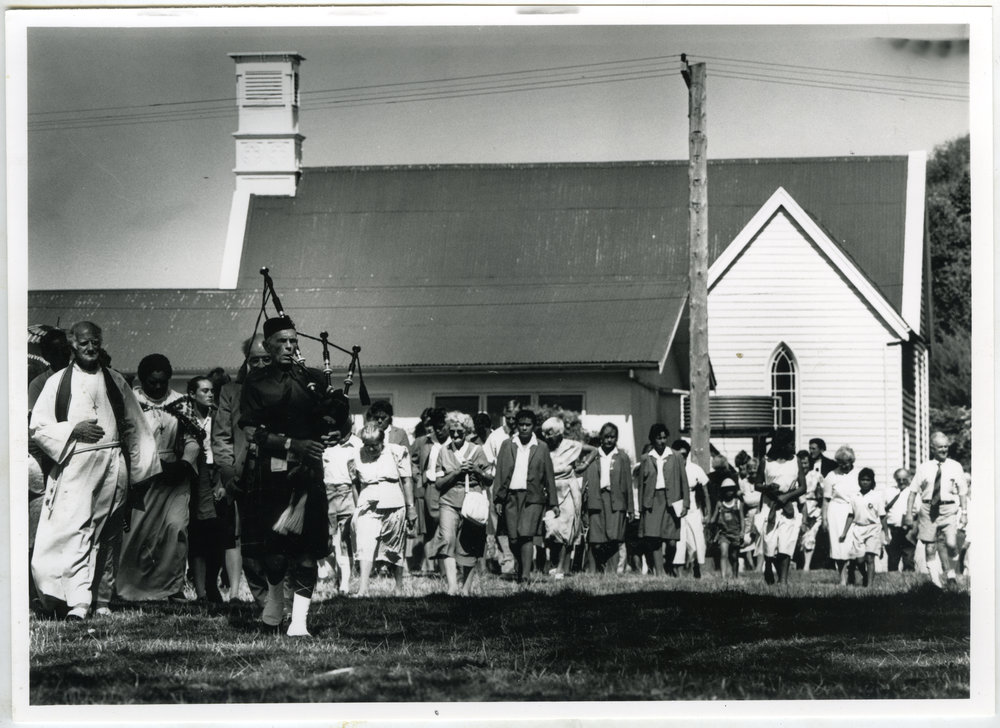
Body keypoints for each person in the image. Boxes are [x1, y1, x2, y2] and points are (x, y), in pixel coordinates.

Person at [29, 321, 160, 619]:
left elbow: (135, 425)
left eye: (95, 342)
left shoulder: (115, 380)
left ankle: (100, 599)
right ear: (73, 345)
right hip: (76, 465)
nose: (90, 348)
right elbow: (38, 426)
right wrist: (73, 429)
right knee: (75, 531)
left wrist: (139, 472)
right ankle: (76, 602)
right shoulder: (57, 382)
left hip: (114, 465)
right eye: (84, 343)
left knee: (108, 535)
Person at [239, 315, 342, 636]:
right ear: (268, 346)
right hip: (271, 476)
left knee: (307, 552)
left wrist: (335, 432)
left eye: (293, 341)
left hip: (308, 476)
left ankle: (299, 623)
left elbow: (335, 417)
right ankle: (273, 606)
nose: (288, 346)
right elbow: (252, 430)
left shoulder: (311, 379)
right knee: (273, 555)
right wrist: (292, 444)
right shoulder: (256, 383)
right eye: (282, 341)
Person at [117, 353, 200, 603]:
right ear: (142, 380)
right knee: (137, 534)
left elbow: (194, 439)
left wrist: (184, 463)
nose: (157, 387)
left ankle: (171, 587)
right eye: (152, 382)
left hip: (174, 476)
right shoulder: (130, 401)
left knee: (175, 529)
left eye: (162, 382)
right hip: (142, 476)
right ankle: (129, 588)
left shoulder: (182, 403)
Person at [211, 334, 272, 605]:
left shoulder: (287, 387)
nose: (259, 365)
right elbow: (221, 438)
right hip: (243, 479)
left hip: (279, 476)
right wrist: (228, 475)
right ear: (246, 361)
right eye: (254, 360)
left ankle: (282, 600)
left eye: (265, 359)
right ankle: (263, 602)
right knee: (249, 544)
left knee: (279, 543)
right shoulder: (230, 392)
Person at [425, 412, 492, 595]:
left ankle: (466, 588)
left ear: (467, 432)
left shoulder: (477, 451)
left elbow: (489, 479)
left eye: (459, 432)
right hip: (448, 501)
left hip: (471, 502)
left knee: (470, 544)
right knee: (447, 540)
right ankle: (452, 586)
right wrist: (455, 473)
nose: (455, 436)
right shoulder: (443, 452)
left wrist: (476, 470)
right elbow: (438, 484)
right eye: (452, 432)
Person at [493, 408, 558, 582]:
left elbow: (549, 476)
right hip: (511, 497)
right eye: (521, 424)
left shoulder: (542, 447)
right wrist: (498, 499)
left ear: (533, 426)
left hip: (533, 498)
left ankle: (526, 575)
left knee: (526, 534)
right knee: (513, 538)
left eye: (527, 425)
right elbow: (499, 472)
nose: (523, 428)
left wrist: (554, 503)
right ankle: (522, 565)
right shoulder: (507, 445)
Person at [352, 423, 416, 596]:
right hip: (368, 504)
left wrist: (411, 507)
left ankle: (398, 587)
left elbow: (407, 480)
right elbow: (355, 484)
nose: (371, 449)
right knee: (364, 544)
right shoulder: (357, 455)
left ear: (383, 442)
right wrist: (357, 507)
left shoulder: (397, 451)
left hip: (394, 503)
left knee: (394, 546)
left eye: (375, 445)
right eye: (367, 445)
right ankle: (363, 589)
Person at [904, 431, 968, 590]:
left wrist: (964, 514)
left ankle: (951, 574)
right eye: (940, 447)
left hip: (948, 509)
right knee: (930, 547)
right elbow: (912, 492)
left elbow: (962, 492)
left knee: (951, 544)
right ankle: (936, 583)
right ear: (932, 448)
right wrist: (908, 514)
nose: (944, 450)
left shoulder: (955, 466)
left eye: (946, 446)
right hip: (928, 510)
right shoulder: (924, 467)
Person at [184, 375, 227, 603]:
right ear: (192, 394)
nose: (210, 395)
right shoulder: (184, 417)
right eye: (204, 391)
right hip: (192, 475)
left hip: (215, 474)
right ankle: (200, 591)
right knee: (196, 535)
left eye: (212, 391)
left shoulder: (219, 415)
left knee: (216, 536)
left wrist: (221, 482)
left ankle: (212, 583)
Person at [540, 416, 595, 578]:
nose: (546, 436)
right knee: (551, 528)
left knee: (568, 530)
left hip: (569, 491)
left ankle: (562, 568)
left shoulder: (572, 446)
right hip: (550, 492)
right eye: (544, 433)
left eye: (549, 433)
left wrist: (584, 465)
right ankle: (555, 564)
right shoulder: (543, 448)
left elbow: (594, 450)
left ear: (559, 433)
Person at [634, 425, 688, 576]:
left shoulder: (676, 456)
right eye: (659, 438)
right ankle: (659, 572)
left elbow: (684, 481)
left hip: (672, 500)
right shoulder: (646, 458)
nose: (662, 441)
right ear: (653, 439)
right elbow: (641, 485)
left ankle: (669, 566)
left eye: (664, 437)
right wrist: (641, 507)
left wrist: (686, 503)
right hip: (652, 501)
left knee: (671, 540)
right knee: (654, 538)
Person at [580, 422, 633, 574]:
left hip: (616, 501)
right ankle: (592, 570)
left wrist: (630, 508)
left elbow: (628, 484)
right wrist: (583, 505)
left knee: (614, 538)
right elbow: (585, 480)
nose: (609, 440)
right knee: (595, 539)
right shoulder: (593, 455)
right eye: (606, 437)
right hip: (596, 499)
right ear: (601, 438)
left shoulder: (622, 457)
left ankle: (611, 572)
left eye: (613, 437)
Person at [756, 429, 806, 586]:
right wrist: (768, 488)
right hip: (769, 504)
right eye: (790, 444)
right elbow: (757, 484)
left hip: (788, 506)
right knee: (770, 542)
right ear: (781, 445)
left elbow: (803, 487)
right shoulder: (766, 461)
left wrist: (786, 497)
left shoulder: (795, 461)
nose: (793, 446)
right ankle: (769, 565)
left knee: (786, 542)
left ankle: (783, 580)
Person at [483, 400, 524, 574]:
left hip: (520, 486)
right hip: (498, 486)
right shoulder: (496, 436)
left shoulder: (525, 434)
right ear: (504, 414)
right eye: (509, 415)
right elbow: (486, 461)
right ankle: (506, 561)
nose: (512, 419)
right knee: (500, 525)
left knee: (519, 525)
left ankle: (520, 562)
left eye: (516, 415)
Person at [321, 424, 362, 594]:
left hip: (348, 492)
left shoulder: (358, 444)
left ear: (350, 424)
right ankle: (333, 572)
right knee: (326, 540)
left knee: (345, 539)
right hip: (327, 492)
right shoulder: (325, 442)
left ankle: (344, 583)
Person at [838, 467, 889, 588]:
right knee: (860, 559)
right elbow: (851, 515)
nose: (865, 482)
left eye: (868, 480)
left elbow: (882, 516)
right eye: (862, 479)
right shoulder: (854, 496)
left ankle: (870, 586)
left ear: (872, 482)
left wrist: (886, 533)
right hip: (858, 529)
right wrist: (844, 532)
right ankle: (865, 575)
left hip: (873, 529)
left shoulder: (876, 496)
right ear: (859, 481)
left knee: (870, 557)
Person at [821, 446, 861, 585]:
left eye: (846, 462)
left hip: (855, 511)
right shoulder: (831, 476)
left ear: (852, 461)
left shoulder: (858, 474)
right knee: (839, 545)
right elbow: (826, 499)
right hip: (836, 511)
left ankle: (852, 572)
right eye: (840, 462)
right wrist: (824, 519)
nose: (843, 465)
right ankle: (842, 577)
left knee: (854, 544)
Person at [671, 439, 709, 578]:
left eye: (685, 454)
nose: (682, 457)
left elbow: (705, 492)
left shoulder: (695, 469)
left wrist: (708, 512)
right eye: (679, 454)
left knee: (696, 540)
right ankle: (678, 572)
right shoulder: (670, 468)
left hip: (694, 508)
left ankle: (696, 567)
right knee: (680, 541)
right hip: (677, 507)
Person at [884, 468, 917, 572]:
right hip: (893, 530)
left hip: (908, 531)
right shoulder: (889, 491)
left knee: (908, 559)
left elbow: (918, 511)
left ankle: (909, 583)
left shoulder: (914, 492)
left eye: (904, 479)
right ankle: (892, 583)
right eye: (899, 479)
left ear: (909, 479)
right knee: (893, 559)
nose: (901, 482)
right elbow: (882, 511)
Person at [710, 477, 744, 579]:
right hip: (723, 534)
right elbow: (713, 518)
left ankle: (735, 575)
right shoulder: (720, 504)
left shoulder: (738, 503)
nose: (729, 492)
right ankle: (723, 577)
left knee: (734, 556)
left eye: (731, 489)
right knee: (723, 554)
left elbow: (742, 518)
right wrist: (711, 522)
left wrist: (742, 531)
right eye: (726, 489)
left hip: (735, 533)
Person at [796, 449, 824, 572]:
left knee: (810, 537)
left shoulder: (816, 476)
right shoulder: (794, 475)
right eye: (801, 463)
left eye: (806, 463)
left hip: (813, 509)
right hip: (797, 508)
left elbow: (823, 495)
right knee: (797, 537)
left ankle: (806, 566)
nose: (803, 466)